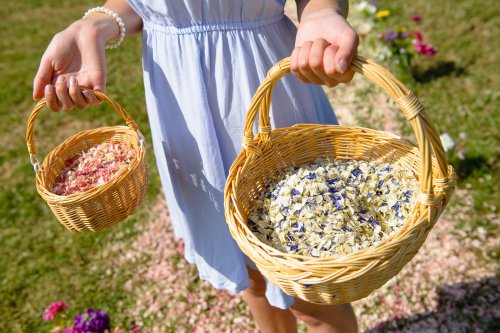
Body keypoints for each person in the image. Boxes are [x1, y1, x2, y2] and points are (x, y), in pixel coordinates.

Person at [33, 0, 359, 332]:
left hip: (258, 81)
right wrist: (95, 25)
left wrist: (320, 10)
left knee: (311, 290)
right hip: (182, 104)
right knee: (250, 277)